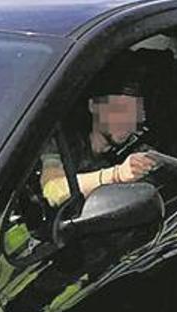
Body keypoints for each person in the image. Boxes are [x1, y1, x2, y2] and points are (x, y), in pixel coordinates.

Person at [39, 55, 155, 206]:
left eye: (136, 112)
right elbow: (53, 190)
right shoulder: (62, 142)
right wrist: (117, 175)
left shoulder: (138, 147)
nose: (128, 121)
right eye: (120, 109)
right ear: (93, 106)